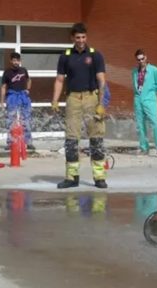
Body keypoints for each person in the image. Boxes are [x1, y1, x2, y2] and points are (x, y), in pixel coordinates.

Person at [51, 22, 108, 189]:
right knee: (71, 139)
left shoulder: (95, 55)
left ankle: (99, 177)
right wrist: (55, 100)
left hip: (91, 97)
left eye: (83, 37)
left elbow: (101, 80)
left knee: (96, 138)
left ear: (86, 37)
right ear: (72, 38)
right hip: (73, 99)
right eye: (78, 37)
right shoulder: (66, 56)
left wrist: (101, 103)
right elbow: (60, 80)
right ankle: (71, 177)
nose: (81, 40)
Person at [132, 49, 157, 157]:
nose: (141, 61)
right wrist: (138, 97)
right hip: (138, 100)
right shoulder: (134, 72)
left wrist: (151, 95)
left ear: (146, 57)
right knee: (140, 126)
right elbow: (135, 86)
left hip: (150, 100)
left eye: (142, 58)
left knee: (155, 123)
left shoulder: (154, 70)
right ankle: (144, 148)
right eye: (138, 59)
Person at [0, 52, 33, 150]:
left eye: (17, 60)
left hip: (23, 96)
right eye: (14, 60)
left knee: (26, 120)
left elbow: (29, 80)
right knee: (11, 120)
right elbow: (3, 87)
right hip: (12, 96)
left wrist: (28, 89)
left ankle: (28, 142)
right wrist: (2, 101)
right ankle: (10, 142)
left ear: (20, 61)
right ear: (11, 61)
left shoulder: (23, 70)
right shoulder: (7, 72)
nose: (16, 62)